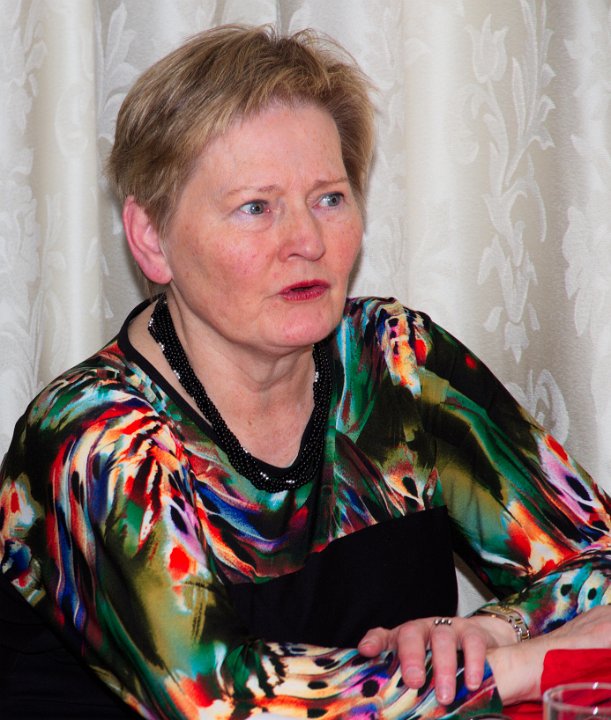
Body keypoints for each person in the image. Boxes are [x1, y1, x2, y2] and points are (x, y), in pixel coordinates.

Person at [0, 23, 610, 720]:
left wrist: (496, 628)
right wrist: (519, 667)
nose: (307, 241)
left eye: (329, 198)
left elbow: (597, 560)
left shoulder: (396, 362)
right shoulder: (95, 435)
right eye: (255, 208)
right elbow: (219, 701)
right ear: (151, 238)